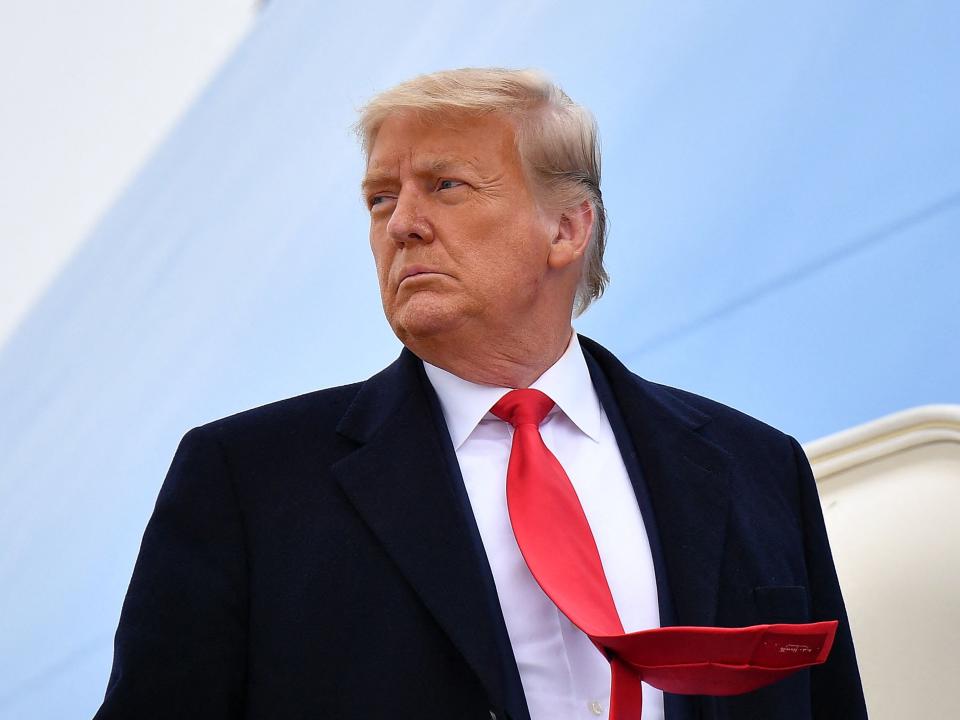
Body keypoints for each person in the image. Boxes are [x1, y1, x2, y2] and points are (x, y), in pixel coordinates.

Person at [94, 68, 867, 720]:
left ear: (567, 229)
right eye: (378, 199)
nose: (402, 225)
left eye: (445, 186)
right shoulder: (246, 481)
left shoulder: (757, 466)